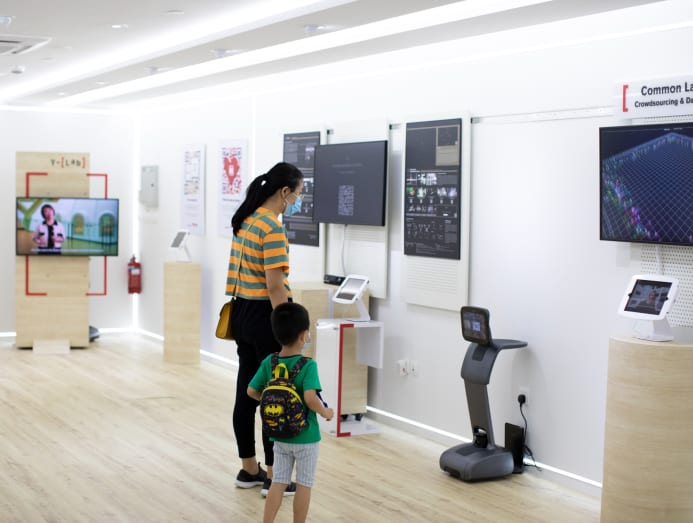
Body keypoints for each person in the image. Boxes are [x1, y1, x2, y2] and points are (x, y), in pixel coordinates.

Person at [226, 162, 304, 494]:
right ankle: (275, 476)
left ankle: (249, 470)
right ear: (284, 192)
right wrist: (289, 329)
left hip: (242, 314)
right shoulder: (271, 227)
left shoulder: (247, 220)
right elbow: (274, 286)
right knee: (277, 397)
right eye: (298, 194)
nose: (298, 200)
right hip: (265, 318)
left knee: (248, 393)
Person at [247, 302, 334, 523]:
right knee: (304, 484)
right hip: (306, 437)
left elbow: (251, 391)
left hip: (279, 436)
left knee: (278, 481)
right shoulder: (308, 365)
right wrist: (325, 412)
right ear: (304, 335)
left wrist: (270, 400)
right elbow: (310, 398)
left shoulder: (270, 362)